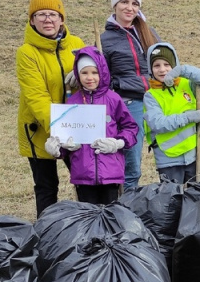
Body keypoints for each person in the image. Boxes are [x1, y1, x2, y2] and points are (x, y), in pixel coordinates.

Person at [16, 0, 86, 218]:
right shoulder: (27, 53)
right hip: (40, 129)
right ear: (32, 20)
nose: (48, 19)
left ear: (61, 19)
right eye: (41, 15)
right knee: (46, 186)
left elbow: (97, 77)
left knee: (85, 180)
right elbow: (36, 97)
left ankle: (88, 226)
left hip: (76, 128)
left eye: (53, 14)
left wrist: (84, 73)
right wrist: (60, 130)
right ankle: (47, 230)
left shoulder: (76, 44)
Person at [45, 49, 139, 205]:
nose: (90, 77)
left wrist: (118, 143)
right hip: (83, 173)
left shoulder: (113, 99)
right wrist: (58, 148)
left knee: (110, 212)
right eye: (84, 73)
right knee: (88, 214)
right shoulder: (72, 103)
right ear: (77, 74)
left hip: (110, 171)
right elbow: (66, 136)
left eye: (94, 72)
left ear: (102, 72)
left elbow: (130, 127)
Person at [101, 0, 160, 189]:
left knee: (167, 156)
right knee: (132, 163)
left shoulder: (149, 33)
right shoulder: (105, 39)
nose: (130, 7)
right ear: (115, 5)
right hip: (129, 104)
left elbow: (166, 62)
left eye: (135, 3)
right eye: (124, 2)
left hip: (155, 100)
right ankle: (126, 203)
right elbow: (103, 77)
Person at [143, 42, 200, 184]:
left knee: (199, 194)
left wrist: (182, 70)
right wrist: (189, 117)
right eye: (156, 66)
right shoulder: (151, 96)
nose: (162, 70)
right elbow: (158, 123)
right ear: (151, 69)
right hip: (169, 159)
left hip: (194, 154)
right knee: (172, 196)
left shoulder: (187, 85)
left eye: (167, 64)